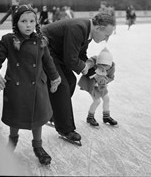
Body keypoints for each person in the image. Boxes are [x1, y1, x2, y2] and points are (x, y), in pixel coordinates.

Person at [0, 4, 61, 166]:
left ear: (36, 22)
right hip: (16, 87)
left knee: (38, 118)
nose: (28, 25)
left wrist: (55, 78)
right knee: (16, 117)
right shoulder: (8, 40)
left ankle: (38, 146)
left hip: (37, 87)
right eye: (23, 21)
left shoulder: (41, 41)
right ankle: (12, 140)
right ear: (16, 23)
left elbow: (48, 62)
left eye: (31, 21)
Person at [41, 13, 115, 145]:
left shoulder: (87, 31)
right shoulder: (79, 28)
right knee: (61, 85)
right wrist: (84, 68)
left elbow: (80, 55)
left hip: (57, 52)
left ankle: (54, 114)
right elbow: (71, 59)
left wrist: (94, 73)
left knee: (70, 81)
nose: (107, 39)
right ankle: (65, 129)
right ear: (99, 28)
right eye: (106, 35)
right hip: (45, 49)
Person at [78, 48, 118, 127]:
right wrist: (88, 66)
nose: (103, 67)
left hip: (102, 86)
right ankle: (90, 117)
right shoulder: (95, 61)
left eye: (105, 66)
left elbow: (111, 77)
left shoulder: (111, 68)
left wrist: (105, 81)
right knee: (97, 101)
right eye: (101, 65)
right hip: (92, 85)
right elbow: (89, 62)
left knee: (106, 98)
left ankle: (106, 116)